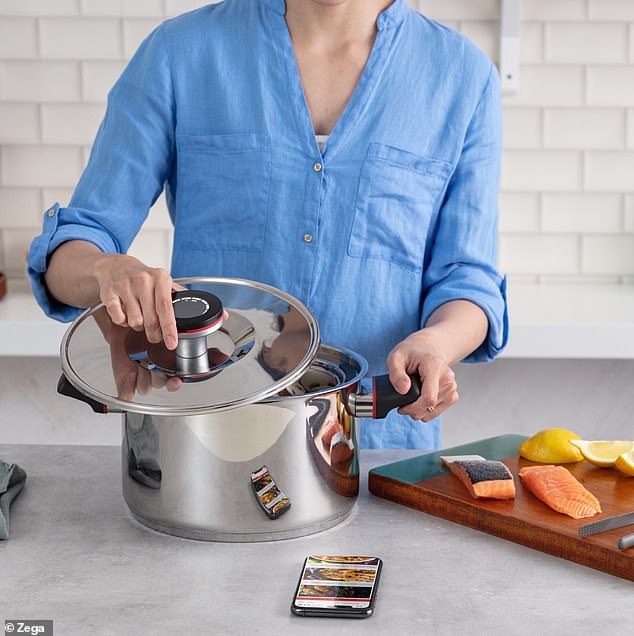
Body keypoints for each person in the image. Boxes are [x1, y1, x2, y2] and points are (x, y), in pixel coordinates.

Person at [28, 0, 508, 449]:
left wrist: (436, 341)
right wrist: (108, 272)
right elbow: (70, 251)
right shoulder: (179, 54)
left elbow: (467, 279)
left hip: (381, 450)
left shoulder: (463, 78)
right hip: (204, 446)